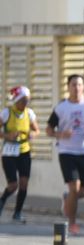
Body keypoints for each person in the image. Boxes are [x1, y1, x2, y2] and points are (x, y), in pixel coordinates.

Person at [48, 74, 84, 237]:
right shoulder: (61, 107)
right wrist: (61, 134)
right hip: (67, 152)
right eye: (73, 85)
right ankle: (72, 223)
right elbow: (49, 130)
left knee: (81, 192)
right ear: (68, 87)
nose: (76, 88)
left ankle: (67, 199)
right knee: (75, 187)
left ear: (83, 87)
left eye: (79, 85)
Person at [2, 86, 39, 223]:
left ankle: (17, 212)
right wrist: (7, 135)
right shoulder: (7, 113)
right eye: (23, 100)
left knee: (24, 183)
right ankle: (2, 200)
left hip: (24, 151)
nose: (25, 103)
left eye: (27, 100)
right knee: (13, 185)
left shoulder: (29, 114)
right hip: (9, 152)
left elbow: (37, 130)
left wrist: (32, 134)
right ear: (16, 100)